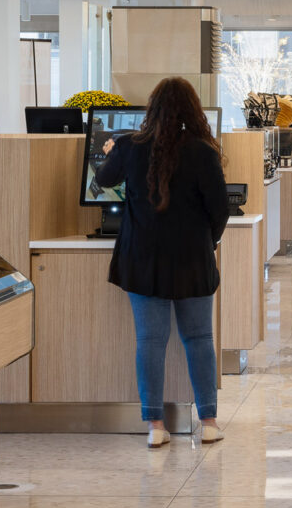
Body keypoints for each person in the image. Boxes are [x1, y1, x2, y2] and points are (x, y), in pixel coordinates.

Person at [95, 76, 230, 447]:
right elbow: (220, 209)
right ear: (193, 110)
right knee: (200, 339)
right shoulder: (203, 151)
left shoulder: (129, 147)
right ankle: (210, 421)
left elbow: (104, 179)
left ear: (151, 109)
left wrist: (111, 151)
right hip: (192, 259)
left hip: (143, 260)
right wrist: (209, 240)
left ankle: (155, 427)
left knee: (150, 342)